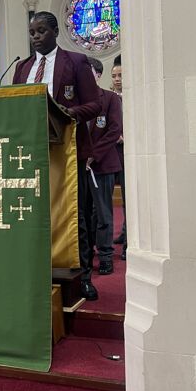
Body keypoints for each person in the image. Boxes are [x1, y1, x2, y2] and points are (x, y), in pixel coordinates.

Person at [12, 11, 101, 300]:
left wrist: (66, 113)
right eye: (32, 32)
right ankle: (37, 269)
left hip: (69, 150)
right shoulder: (23, 68)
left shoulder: (75, 62)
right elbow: (15, 105)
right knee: (36, 214)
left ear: (55, 32)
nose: (36, 37)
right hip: (31, 152)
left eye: (42, 31)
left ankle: (83, 276)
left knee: (76, 215)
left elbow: (95, 105)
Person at [86, 57, 122, 275]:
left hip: (102, 164)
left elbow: (114, 130)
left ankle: (106, 255)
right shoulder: (75, 100)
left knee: (103, 214)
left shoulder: (109, 98)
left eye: (88, 72)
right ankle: (86, 253)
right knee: (85, 214)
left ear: (98, 75)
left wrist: (93, 155)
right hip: (81, 166)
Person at [111, 55, 127, 260]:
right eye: (114, 76)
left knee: (128, 198)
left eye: (120, 75)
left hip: (127, 153)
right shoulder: (109, 98)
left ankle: (128, 237)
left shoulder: (134, 97)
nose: (117, 79)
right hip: (111, 152)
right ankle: (121, 233)